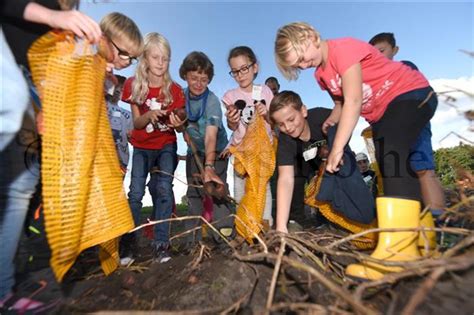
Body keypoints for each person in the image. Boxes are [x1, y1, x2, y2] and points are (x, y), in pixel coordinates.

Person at [274, 22, 439, 280]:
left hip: (410, 94)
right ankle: (424, 240)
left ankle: (400, 249)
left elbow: (353, 99)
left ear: (309, 36)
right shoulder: (321, 75)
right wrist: (333, 117)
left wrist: (338, 146)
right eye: (298, 66)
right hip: (384, 114)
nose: (304, 65)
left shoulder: (344, 49)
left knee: (391, 154)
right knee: (393, 166)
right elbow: (340, 101)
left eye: (303, 58)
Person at [0, 0, 101, 311]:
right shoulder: (57, 11)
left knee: (21, 186)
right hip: (9, 78)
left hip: (31, 91)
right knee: (16, 189)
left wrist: (44, 102)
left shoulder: (72, 6)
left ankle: (8, 285)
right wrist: (55, 17)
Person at [121, 32, 185, 264]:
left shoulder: (175, 90)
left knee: (164, 190)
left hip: (166, 144)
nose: (160, 62)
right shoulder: (133, 85)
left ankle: (161, 244)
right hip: (141, 147)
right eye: (155, 57)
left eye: (165, 58)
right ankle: (128, 243)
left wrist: (178, 123)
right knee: (136, 193)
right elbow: (137, 123)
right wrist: (149, 114)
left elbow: (177, 128)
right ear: (145, 59)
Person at [369, 32, 445, 217]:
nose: (378, 56)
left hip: (414, 125)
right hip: (390, 130)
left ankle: (439, 220)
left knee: (422, 168)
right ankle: (414, 218)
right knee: (398, 171)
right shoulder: (372, 79)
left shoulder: (404, 67)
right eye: (373, 53)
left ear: (395, 50)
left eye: (382, 50)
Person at [171, 51, 233, 247]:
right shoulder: (179, 97)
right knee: (194, 195)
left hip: (217, 152)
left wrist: (209, 166)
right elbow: (182, 123)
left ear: (209, 80)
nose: (198, 83)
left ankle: (225, 240)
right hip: (194, 153)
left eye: (203, 80)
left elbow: (210, 136)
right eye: (194, 78)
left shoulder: (212, 102)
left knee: (217, 192)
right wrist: (182, 130)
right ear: (185, 76)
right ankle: (192, 242)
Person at [223, 46, 274, 229]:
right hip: (241, 152)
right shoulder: (230, 96)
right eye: (235, 71)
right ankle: (243, 225)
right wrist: (232, 120)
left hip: (262, 151)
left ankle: (265, 223)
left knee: (263, 187)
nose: (240, 75)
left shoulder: (265, 91)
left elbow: (273, 121)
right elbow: (232, 126)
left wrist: (266, 113)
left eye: (244, 68)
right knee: (240, 188)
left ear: (255, 67)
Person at [268, 91, 332, 231]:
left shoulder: (321, 116)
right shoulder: (285, 140)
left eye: (291, 120)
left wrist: (336, 149)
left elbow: (346, 120)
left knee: (340, 172)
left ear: (303, 111)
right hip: (306, 165)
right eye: (281, 125)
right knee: (296, 178)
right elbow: (285, 179)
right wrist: (280, 226)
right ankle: (299, 220)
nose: (288, 128)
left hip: (334, 160)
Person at [106, 74, 133, 173]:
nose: (117, 91)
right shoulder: (100, 105)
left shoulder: (129, 115)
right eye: (115, 87)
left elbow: (134, 139)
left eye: (121, 88)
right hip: (101, 156)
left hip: (121, 161)